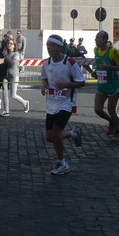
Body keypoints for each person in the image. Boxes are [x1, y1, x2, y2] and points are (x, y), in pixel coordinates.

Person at [40, 34, 86, 175]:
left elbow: (82, 82)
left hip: (66, 103)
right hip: (51, 103)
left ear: (59, 47)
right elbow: (44, 78)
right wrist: (43, 85)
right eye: (47, 45)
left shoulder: (70, 62)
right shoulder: (46, 63)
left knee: (55, 134)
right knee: (49, 137)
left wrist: (67, 84)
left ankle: (62, 163)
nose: (48, 48)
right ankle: (73, 133)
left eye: (51, 45)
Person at [91, 30, 119, 141]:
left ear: (105, 40)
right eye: (96, 37)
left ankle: (118, 131)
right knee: (98, 109)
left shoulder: (112, 51)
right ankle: (112, 122)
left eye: (98, 38)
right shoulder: (96, 50)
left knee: (111, 110)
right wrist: (95, 72)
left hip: (113, 84)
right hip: (101, 84)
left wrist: (109, 67)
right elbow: (98, 65)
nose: (95, 40)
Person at [0, 39, 30, 117]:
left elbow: (13, 64)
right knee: (4, 93)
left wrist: (6, 57)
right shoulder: (5, 53)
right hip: (5, 75)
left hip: (14, 75)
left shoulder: (16, 54)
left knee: (13, 95)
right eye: (8, 43)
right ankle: (6, 111)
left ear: (14, 45)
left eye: (11, 43)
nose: (9, 44)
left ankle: (25, 102)